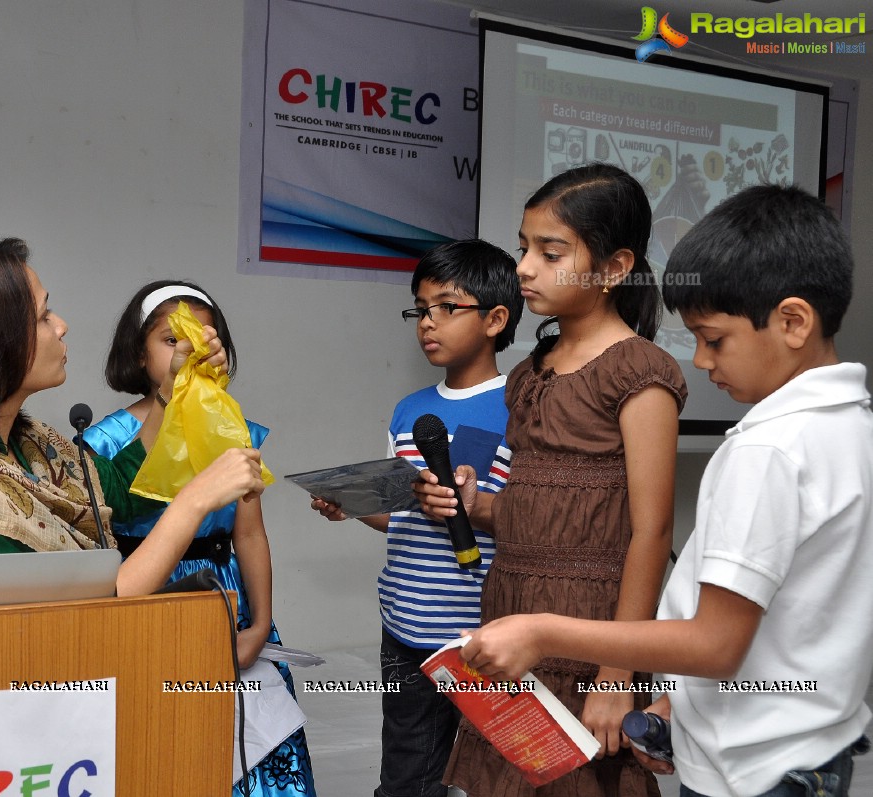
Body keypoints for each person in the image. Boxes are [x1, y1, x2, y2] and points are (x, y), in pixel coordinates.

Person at [453, 184, 873, 797]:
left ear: (792, 321)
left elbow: (715, 640)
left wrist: (545, 633)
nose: (700, 362)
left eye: (715, 339)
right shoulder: (850, 426)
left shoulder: (767, 450)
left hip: (751, 768)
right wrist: (679, 702)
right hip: (805, 743)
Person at [417, 163, 686, 796]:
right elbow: (542, 505)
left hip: (590, 635)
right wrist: (477, 506)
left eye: (551, 251)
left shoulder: (640, 374)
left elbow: (650, 534)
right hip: (513, 609)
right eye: (523, 247)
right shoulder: (528, 372)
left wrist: (617, 674)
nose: (525, 267)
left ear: (614, 267)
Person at [0, 240, 266, 599]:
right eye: (44, 316)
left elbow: (124, 492)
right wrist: (195, 500)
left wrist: (171, 392)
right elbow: (83, 619)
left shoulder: (31, 446)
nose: (62, 326)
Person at [83, 281, 316, 797]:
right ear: (138, 354)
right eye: (171, 339)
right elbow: (125, 508)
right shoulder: (103, 443)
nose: (188, 349)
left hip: (225, 597)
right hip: (149, 598)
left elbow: (251, 534)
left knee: (254, 748)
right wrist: (173, 398)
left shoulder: (236, 432)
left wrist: (259, 624)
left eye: (203, 338)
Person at [309, 240, 521, 797]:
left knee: (496, 772)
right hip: (404, 625)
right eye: (420, 309)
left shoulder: (521, 407)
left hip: (480, 633)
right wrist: (352, 506)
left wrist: (473, 508)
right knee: (408, 775)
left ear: (496, 319)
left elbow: (529, 523)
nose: (427, 323)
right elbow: (400, 517)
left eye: (446, 307)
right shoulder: (409, 410)